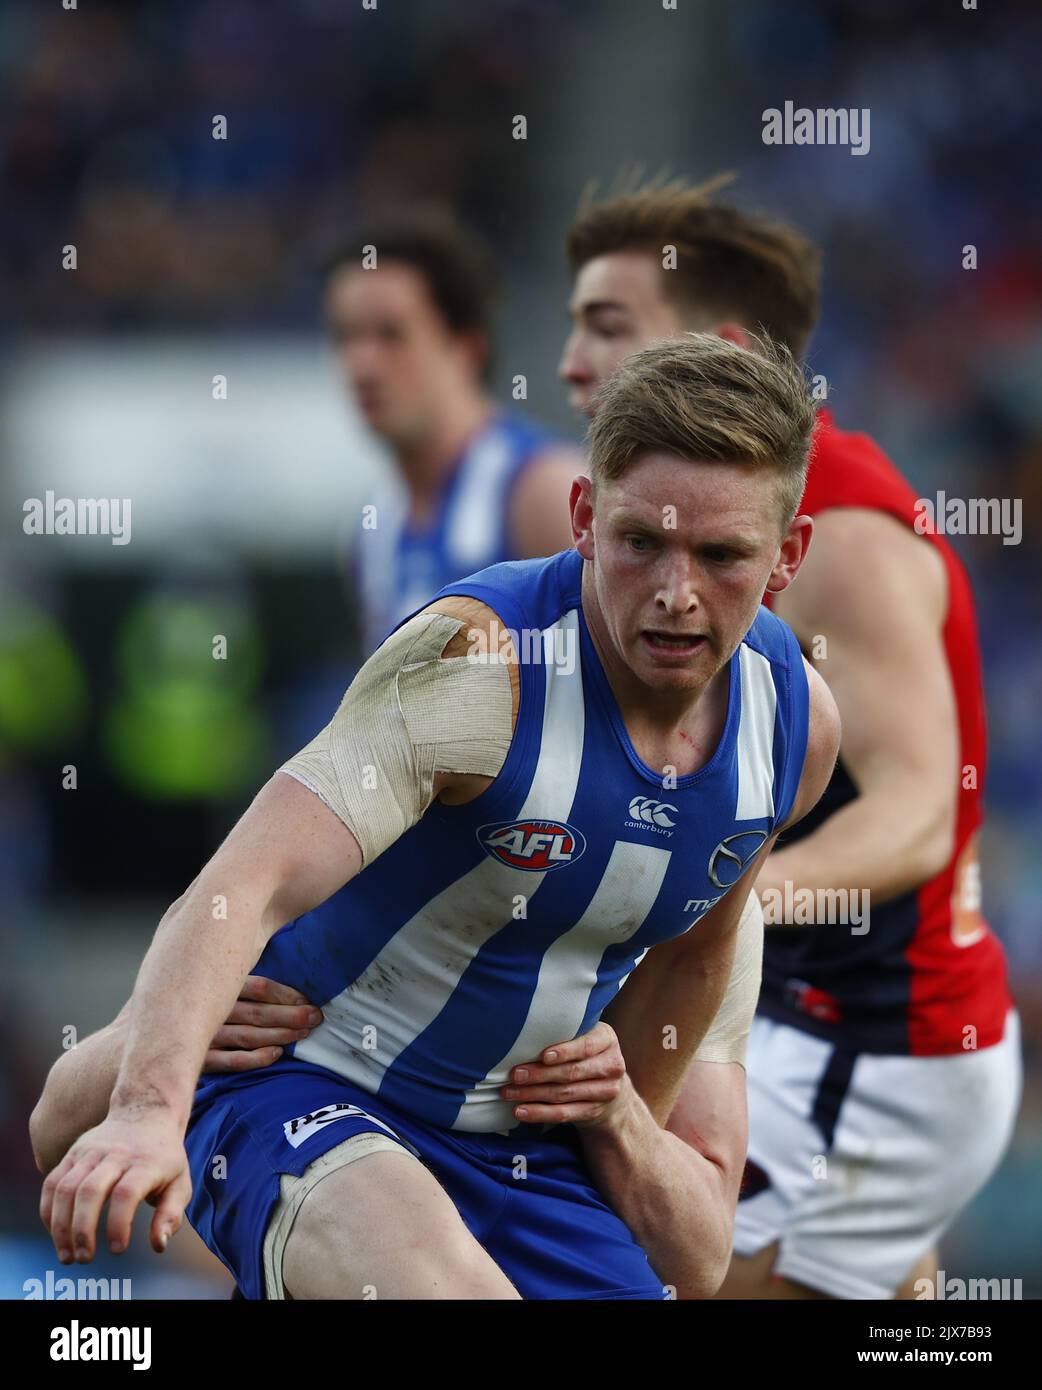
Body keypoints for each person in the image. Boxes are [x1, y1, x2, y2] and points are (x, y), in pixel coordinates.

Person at [33, 333, 840, 1300]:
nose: (675, 593)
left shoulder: (793, 735)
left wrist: (614, 1136)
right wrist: (147, 1107)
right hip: (311, 1085)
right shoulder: (476, 669)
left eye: (719, 556)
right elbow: (240, 885)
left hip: (518, 1156)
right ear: (583, 518)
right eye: (642, 544)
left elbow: (696, 960)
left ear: (787, 555)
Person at [558, 174, 1020, 1301]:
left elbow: (917, 811)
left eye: (607, 328)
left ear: (713, 345)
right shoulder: (673, 531)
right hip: (794, 1031)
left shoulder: (844, 530)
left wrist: (721, 906)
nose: (570, 362)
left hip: (871, 1042)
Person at [326, 211, 580, 654]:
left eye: (391, 335)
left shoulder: (544, 494)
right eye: (346, 337)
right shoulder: (372, 533)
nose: (362, 365)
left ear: (466, 348)